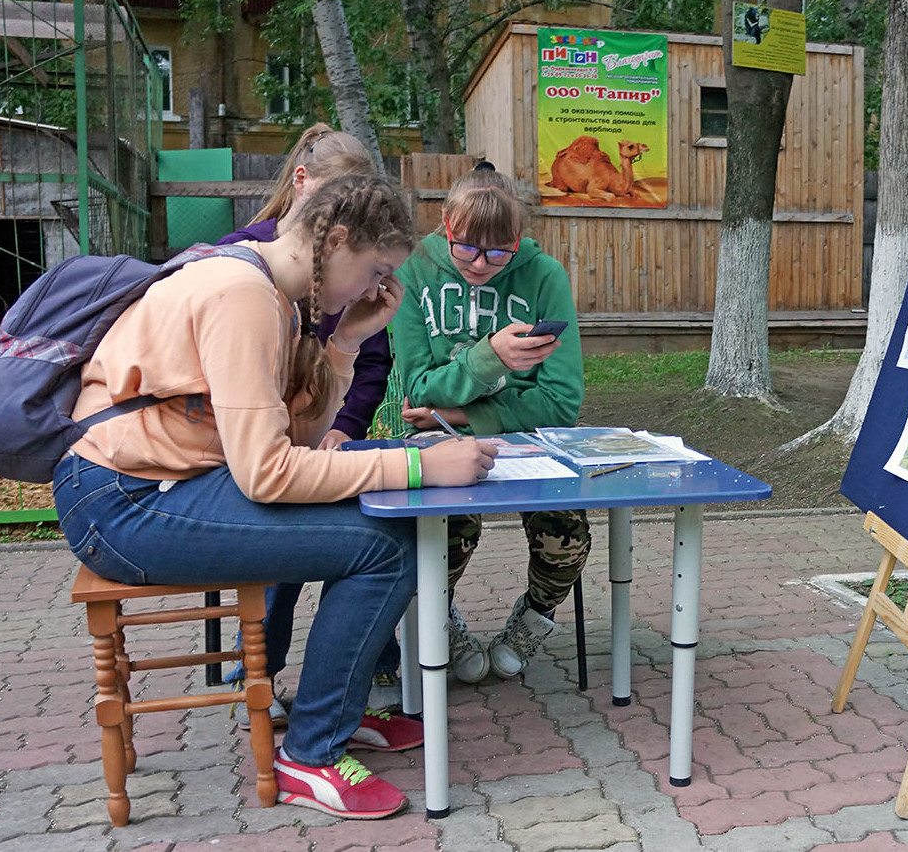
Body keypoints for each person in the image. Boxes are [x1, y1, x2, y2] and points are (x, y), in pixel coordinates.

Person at [52, 174, 496, 819]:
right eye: (374, 270)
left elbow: (298, 442)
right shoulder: (242, 295)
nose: (376, 289)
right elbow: (268, 475)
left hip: (163, 485)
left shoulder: (270, 290)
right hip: (124, 505)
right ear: (336, 240)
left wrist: (345, 344)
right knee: (386, 546)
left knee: (383, 514)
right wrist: (417, 467)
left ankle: (334, 711)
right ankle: (311, 755)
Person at [217, 124, 404, 719]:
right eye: (335, 196)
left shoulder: (351, 275)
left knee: (372, 524)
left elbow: (370, 365)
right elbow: (261, 452)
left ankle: (371, 669)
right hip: (248, 452)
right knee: (297, 530)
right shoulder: (244, 271)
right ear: (302, 184)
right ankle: (260, 676)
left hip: (322, 435)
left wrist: (340, 430)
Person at [390, 162, 590, 683]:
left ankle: (535, 618)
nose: (481, 264)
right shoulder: (414, 273)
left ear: (519, 239)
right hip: (441, 441)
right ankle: (440, 613)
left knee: (566, 532)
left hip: (525, 440)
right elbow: (417, 390)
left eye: (500, 251)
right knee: (448, 528)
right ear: (446, 227)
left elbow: (562, 402)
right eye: (467, 249)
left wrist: (460, 411)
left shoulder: (544, 276)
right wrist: (491, 358)